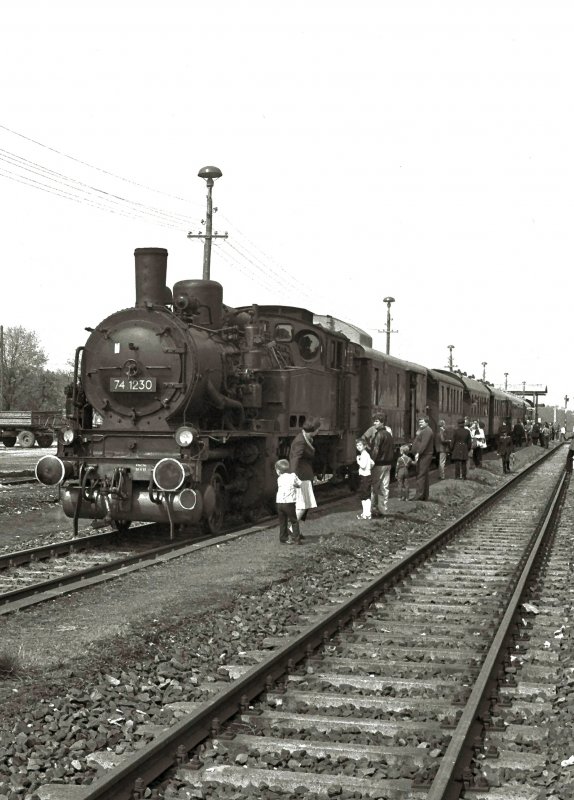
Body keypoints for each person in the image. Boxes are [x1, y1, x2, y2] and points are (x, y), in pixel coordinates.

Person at [289, 417, 320, 524]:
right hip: (301, 476)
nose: (318, 431)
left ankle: (296, 530)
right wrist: (293, 475)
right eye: (317, 429)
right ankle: (292, 530)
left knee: (303, 505)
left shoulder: (305, 438)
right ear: (314, 430)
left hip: (305, 474)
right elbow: (295, 458)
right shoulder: (300, 441)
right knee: (303, 504)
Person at [367, 416, 395, 514]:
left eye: (376, 421)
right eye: (374, 421)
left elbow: (376, 450)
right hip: (388, 464)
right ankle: (383, 509)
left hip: (379, 464)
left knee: (375, 487)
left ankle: (372, 509)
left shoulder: (378, 435)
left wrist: (371, 461)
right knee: (385, 487)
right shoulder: (389, 434)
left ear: (382, 422)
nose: (374, 424)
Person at [274, 459, 302, 544]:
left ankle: (283, 538)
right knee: (294, 521)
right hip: (289, 503)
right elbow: (300, 484)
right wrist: (296, 485)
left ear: (278, 471)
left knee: (282, 521)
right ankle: (296, 539)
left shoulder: (279, 479)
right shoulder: (293, 476)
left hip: (279, 503)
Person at [410, 416, 434, 500]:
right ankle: (424, 495)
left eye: (422, 422)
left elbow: (424, 444)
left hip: (424, 455)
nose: (420, 423)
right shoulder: (424, 430)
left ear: (427, 422)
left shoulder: (427, 431)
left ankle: (419, 495)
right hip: (424, 454)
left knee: (420, 474)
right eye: (419, 422)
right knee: (424, 475)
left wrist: (418, 453)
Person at [355, 439, 374, 519]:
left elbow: (362, 465)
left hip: (364, 476)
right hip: (367, 475)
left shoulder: (364, 454)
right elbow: (373, 463)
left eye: (360, 445)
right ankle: (366, 513)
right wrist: (369, 468)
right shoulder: (366, 454)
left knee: (364, 496)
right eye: (357, 445)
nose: (358, 447)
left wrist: (358, 460)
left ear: (364, 446)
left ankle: (367, 513)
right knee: (365, 495)